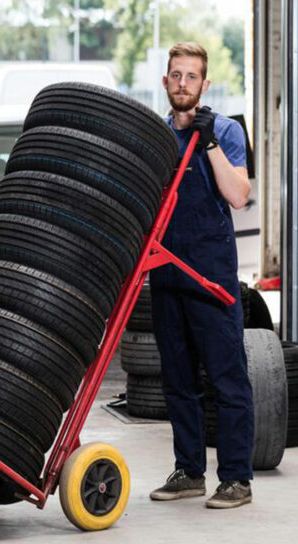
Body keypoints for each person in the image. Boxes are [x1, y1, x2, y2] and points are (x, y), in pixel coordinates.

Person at [149, 43, 254, 509]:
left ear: (205, 85)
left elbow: (238, 195)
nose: (183, 84)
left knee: (228, 379)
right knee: (177, 381)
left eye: (192, 76)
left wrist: (208, 142)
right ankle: (189, 471)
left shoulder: (227, 131)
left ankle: (236, 479)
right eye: (176, 75)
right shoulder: (153, 136)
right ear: (166, 80)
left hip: (211, 276)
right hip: (166, 273)